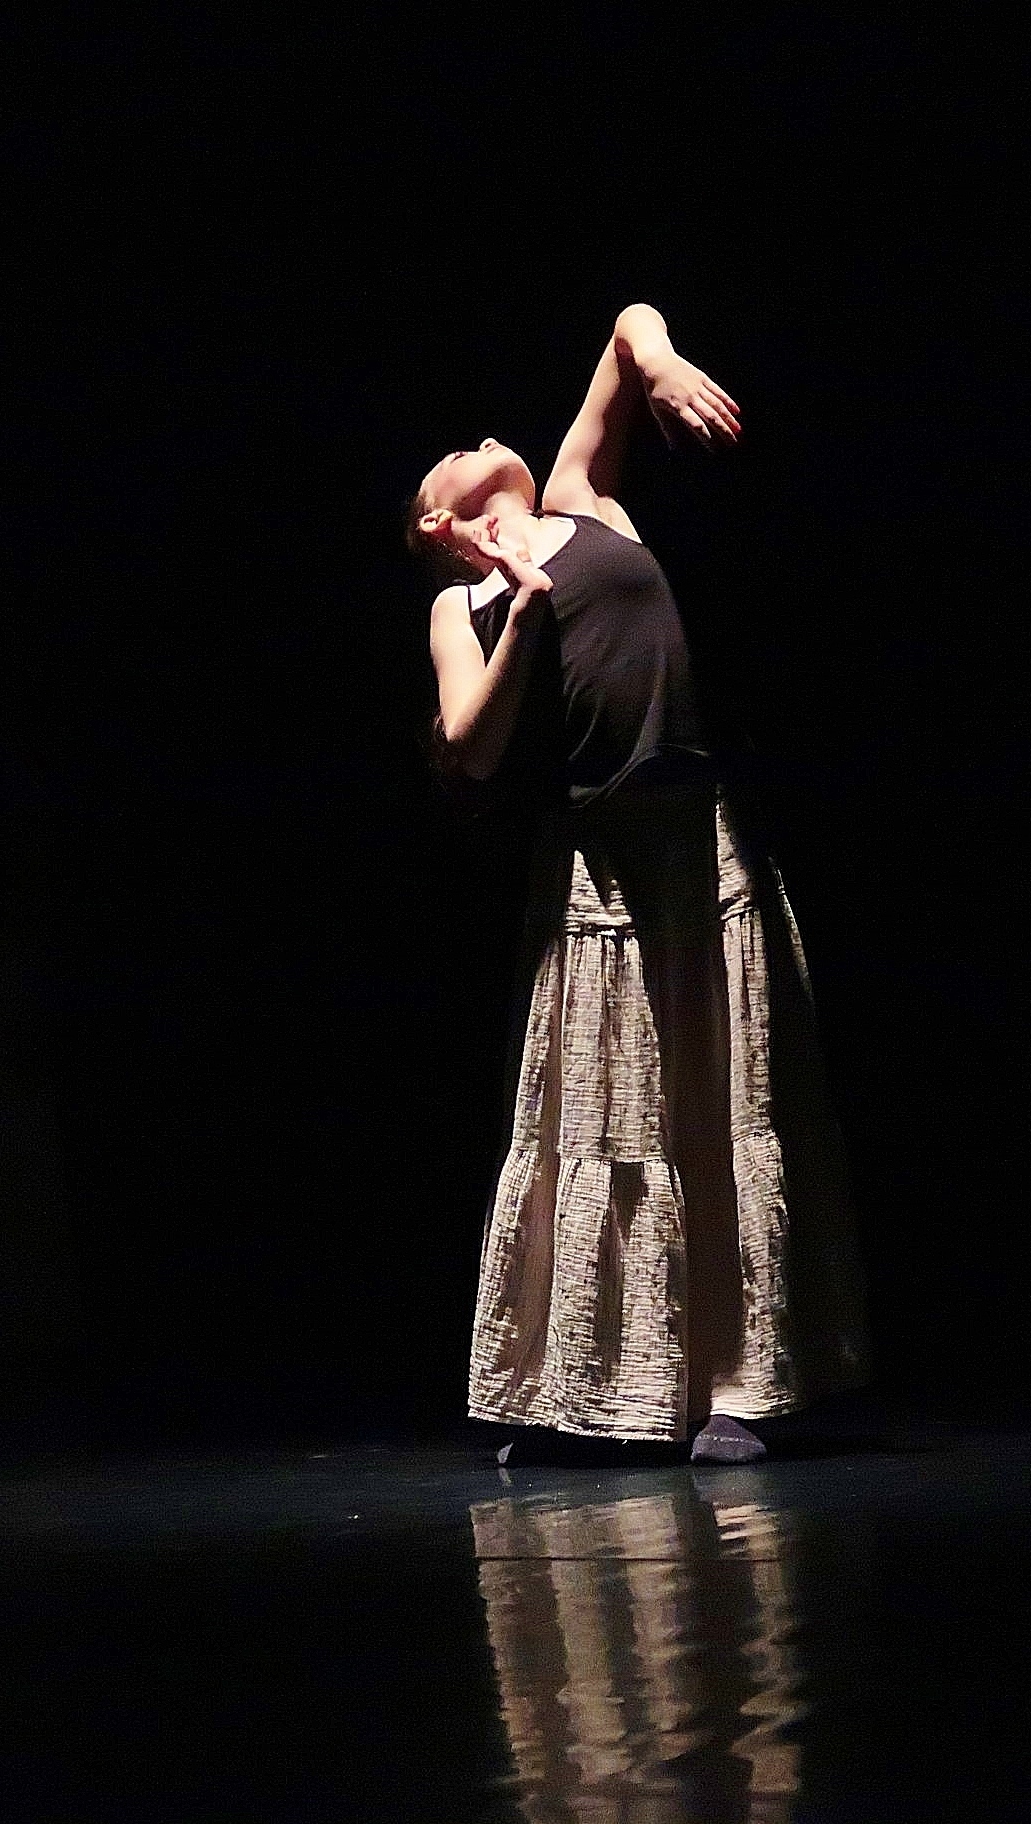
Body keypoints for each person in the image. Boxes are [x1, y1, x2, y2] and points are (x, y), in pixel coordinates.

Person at [407, 303, 869, 1467]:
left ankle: (736, 1389)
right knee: (608, 1118)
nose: (481, 437)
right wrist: (523, 607)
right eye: (453, 454)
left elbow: (626, 326)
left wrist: (658, 365)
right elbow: (469, 747)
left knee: (718, 1100)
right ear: (437, 522)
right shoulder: (459, 605)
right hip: (599, 868)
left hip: (702, 839)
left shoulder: (579, 496)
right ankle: (575, 1393)